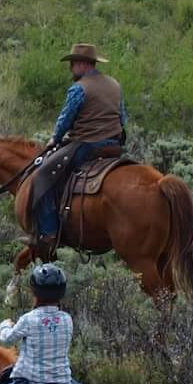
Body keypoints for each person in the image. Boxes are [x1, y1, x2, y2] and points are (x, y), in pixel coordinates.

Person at [28, 42, 127, 257]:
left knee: (42, 176)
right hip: (114, 146)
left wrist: (54, 139)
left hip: (86, 145)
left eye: (72, 64)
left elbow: (65, 119)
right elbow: (122, 117)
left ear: (82, 65)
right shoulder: (115, 85)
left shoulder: (79, 88)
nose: (70, 68)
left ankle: (49, 233)